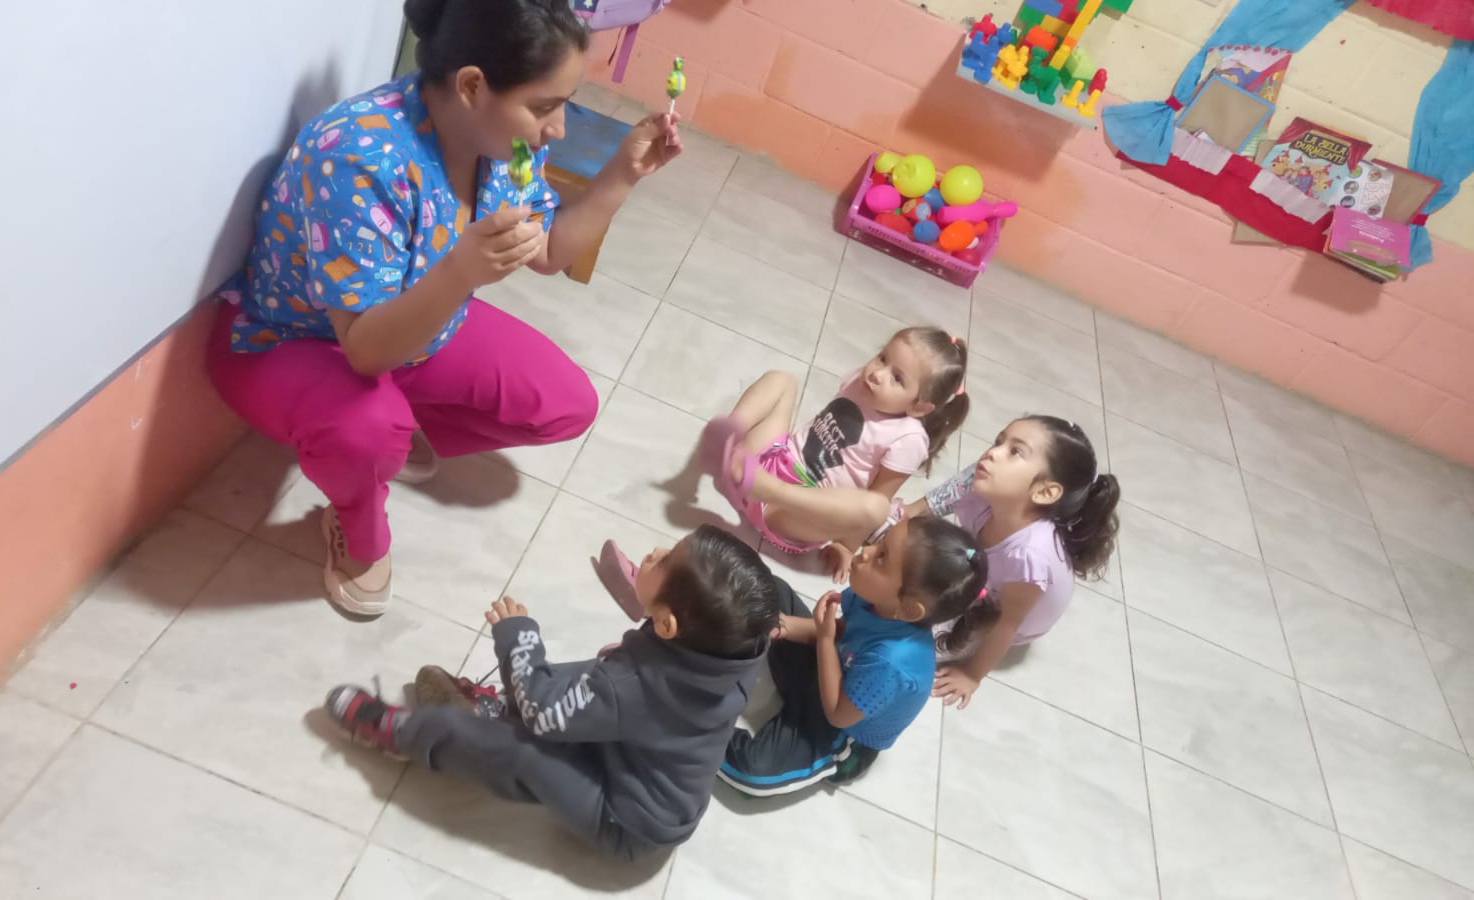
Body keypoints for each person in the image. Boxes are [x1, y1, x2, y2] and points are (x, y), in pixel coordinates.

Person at [206, 0, 682, 617]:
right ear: (472, 86)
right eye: (545, 106)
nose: (558, 128)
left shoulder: (504, 141)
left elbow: (548, 251)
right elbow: (365, 349)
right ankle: (357, 515)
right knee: (369, 431)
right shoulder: (358, 155)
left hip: (419, 325)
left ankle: (386, 435)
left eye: (564, 103)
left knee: (566, 405)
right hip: (292, 340)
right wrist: (461, 271)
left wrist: (623, 173)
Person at [322, 525, 777, 861]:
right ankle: (505, 706)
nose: (654, 551)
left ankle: (403, 732)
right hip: (644, 774)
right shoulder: (735, 651)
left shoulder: (634, 685)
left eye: (665, 559)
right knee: (596, 678)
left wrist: (517, 637)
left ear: (667, 625)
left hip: (627, 823)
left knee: (526, 748)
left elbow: (546, 714)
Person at [716, 517, 987, 796]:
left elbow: (838, 714)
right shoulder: (875, 598)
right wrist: (786, 626)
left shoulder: (892, 663)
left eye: (881, 558)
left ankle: (700, 728)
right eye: (880, 543)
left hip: (842, 732)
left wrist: (824, 639)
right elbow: (842, 631)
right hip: (835, 668)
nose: (866, 552)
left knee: (753, 771)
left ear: (907, 608)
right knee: (771, 591)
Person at [702, 328, 969, 576]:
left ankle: (766, 488)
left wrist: (845, 546)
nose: (877, 373)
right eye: (882, 358)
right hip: (768, 464)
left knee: (877, 508)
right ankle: (730, 433)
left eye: (897, 378)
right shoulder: (861, 381)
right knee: (783, 380)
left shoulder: (908, 439)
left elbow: (878, 497)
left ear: (919, 407)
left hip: (793, 510)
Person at [903, 415, 1121, 709]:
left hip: (1008, 616)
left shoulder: (1030, 556)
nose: (993, 453)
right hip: (987, 575)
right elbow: (942, 497)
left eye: (1015, 451)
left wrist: (972, 674)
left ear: (1045, 491)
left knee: (911, 632)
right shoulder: (985, 488)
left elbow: (1007, 623)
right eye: (999, 442)